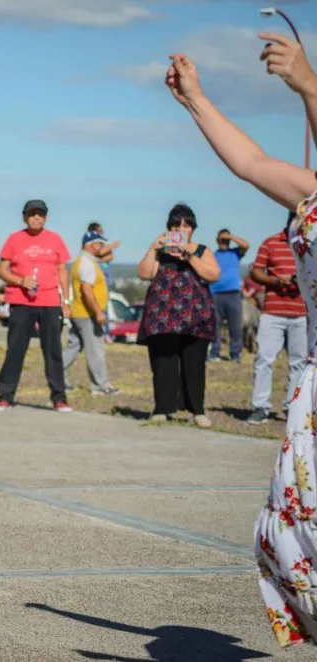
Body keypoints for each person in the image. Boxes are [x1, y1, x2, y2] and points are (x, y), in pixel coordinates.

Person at [165, 32, 317, 648]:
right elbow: (250, 164)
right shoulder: (310, 193)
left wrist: (307, 84)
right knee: (296, 526)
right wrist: (197, 101)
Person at [136, 204, 220, 428]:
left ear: (193, 228)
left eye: (186, 225)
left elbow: (213, 274)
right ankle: (162, 408)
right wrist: (154, 249)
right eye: (176, 225)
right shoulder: (160, 250)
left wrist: (189, 256)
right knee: (163, 362)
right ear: (168, 227)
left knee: (194, 364)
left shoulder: (201, 250)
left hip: (195, 316)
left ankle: (197, 411)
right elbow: (144, 273)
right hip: (162, 314)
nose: (181, 229)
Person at [0, 199, 73, 413]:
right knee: (15, 350)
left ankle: (59, 397)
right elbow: (1, 270)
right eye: (32, 214)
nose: (36, 218)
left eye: (40, 214)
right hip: (21, 301)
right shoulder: (14, 239)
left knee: (53, 350)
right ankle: (5, 395)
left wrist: (66, 301)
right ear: (24, 217)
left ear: (45, 217)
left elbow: (63, 271)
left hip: (50, 301)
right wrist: (21, 281)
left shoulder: (55, 239)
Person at [247, 211, 307, 424]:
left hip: (302, 313)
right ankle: (260, 407)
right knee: (264, 358)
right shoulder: (270, 243)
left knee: (299, 362)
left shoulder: (312, 245)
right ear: (289, 220)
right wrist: (275, 280)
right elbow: (255, 272)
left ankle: (293, 408)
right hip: (272, 312)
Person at [62, 229, 120, 396]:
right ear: (92, 245)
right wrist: (98, 312)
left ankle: (57, 375)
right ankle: (100, 386)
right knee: (96, 349)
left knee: (74, 347)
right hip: (88, 314)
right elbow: (87, 290)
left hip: (79, 312)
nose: (102, 247)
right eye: (100, 243)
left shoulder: (83, 261)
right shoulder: (86, 263)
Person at [209, 228, 251, 363]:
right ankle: (214, 353)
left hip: (233, 294)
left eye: (225, 238)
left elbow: (246, 245)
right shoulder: (213, 255)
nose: (224, 240)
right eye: (222, 238)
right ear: (217, 240)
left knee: (235, 327)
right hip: (215, 293)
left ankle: (235, 354)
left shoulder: (235, 253)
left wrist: (231, 236)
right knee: (215, 325)